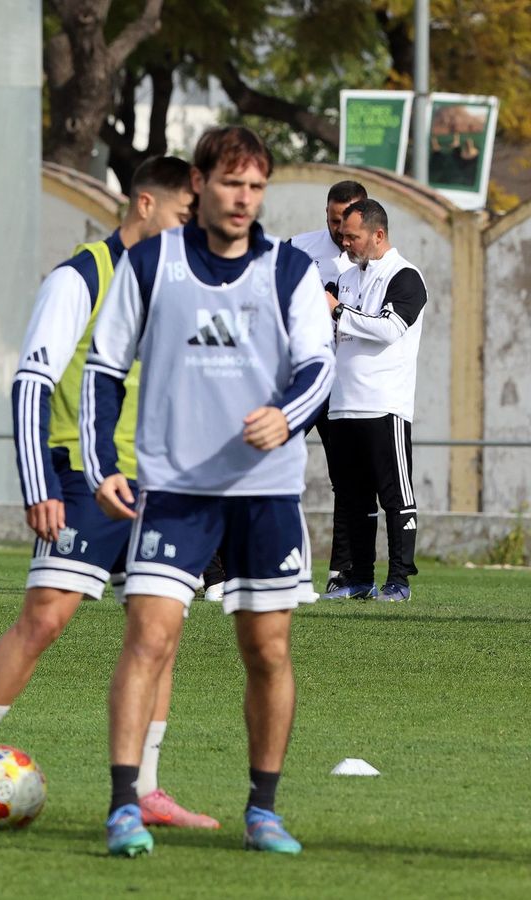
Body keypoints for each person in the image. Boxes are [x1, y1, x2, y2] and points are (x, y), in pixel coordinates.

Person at [0, 157, 218, 831]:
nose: (189, 233)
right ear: (146, 205)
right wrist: (40, 485)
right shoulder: (81, 276)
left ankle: (145, 788)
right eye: (183, 217)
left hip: (163, 484)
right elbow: (31, 382)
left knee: (160, 632)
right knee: (45, 620)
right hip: (82, 479)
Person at [83, 126, 334, 856]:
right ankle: (124, 806)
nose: (243, 200)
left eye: (256, 188)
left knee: (268, 650)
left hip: (265, 492)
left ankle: (263, 810)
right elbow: (104, 367)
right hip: (176, 489)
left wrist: (284, 417)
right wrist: (104, 464)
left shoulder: (287, 270)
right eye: (231, 184)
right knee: (149, 637)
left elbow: (319, 367)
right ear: (199, 183)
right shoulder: (152, 263)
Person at [322, 199, 426, 602]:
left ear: (377, 235)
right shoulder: (346, 277)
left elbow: (388, 329)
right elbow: (326, 323)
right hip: (343, 403)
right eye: (343, 235)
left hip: (385, 404)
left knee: (396, 496)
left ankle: (398, 580)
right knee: (351, 499)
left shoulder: (406, 276)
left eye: (353, 236)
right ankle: (357, 578)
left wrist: (336, 313)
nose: (345, 242)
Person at [284, 179, 366, 596]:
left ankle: (343, 570)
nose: (339, 230)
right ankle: (229, 569)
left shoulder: (375, 264)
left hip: (344, 383)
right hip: (300, 375)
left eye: (346, 221)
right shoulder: (297, 249)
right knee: (263, 463)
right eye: (333, 220)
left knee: (348, 476)